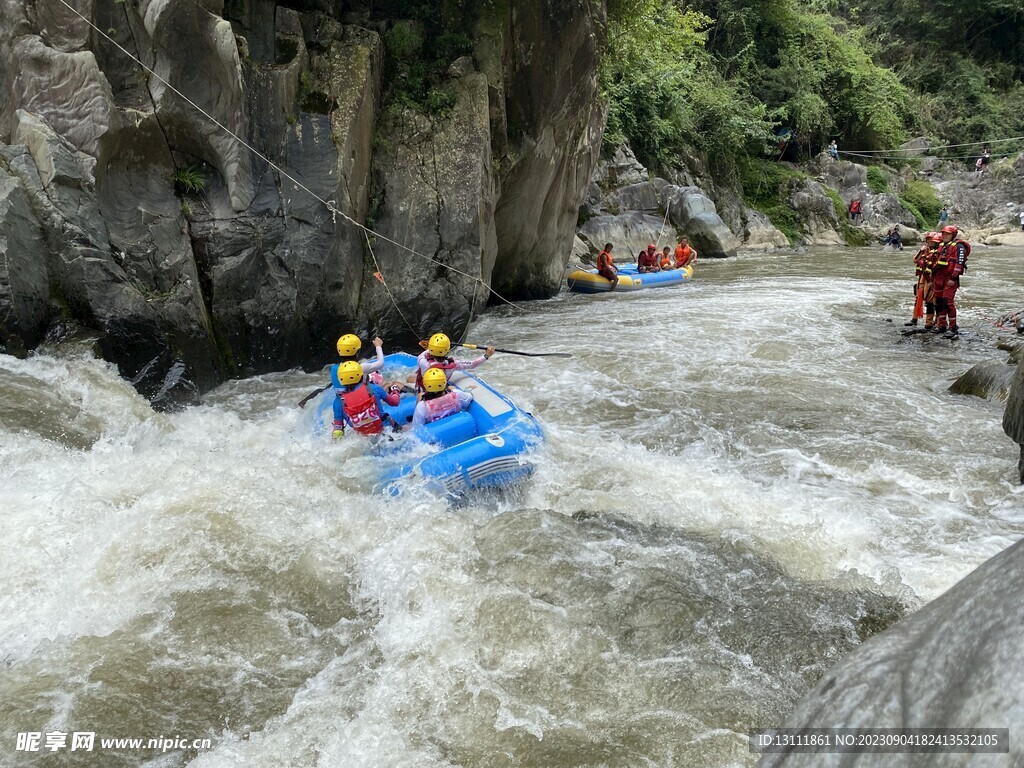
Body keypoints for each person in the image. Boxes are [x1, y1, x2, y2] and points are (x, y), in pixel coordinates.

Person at [331, 361, 401, 440]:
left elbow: (337, 430)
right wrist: (395, 391)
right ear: (361, 376)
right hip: (388, 432)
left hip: (364, 439)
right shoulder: (373, 388)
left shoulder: (338, 402)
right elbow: (395, 402)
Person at [930, 225, 971, 338]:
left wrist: (953, 278)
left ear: (953, 235)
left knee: (947, 302)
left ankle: (953, 327)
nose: (945, 236)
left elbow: (959, 263)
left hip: (950, 278)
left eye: (947, 234)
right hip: (938, 278)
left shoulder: (959, 246)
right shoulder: (941, 246)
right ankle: (941, 325)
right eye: (943, 234)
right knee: (938, 302)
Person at [415, 332, 494, 391]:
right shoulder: (451, 365)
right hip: (441, 389)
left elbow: (428, 352)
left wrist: (432, 345)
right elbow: (472, 364)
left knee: (410, 379)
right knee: (452, 388)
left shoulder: (422, 360)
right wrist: (486, 356)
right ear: (447, 350)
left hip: (424, 389)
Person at [905, 231, 941, 329]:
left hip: (932, 279)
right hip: (922, 278)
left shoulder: (939, 252)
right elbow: (915, 260)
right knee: (918, 298)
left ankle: (930, 323)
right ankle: (914, 319)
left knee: (931, 301)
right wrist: (921, 251)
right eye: (928, 240)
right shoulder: (925, 250)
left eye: (932, 241)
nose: (929, 242)